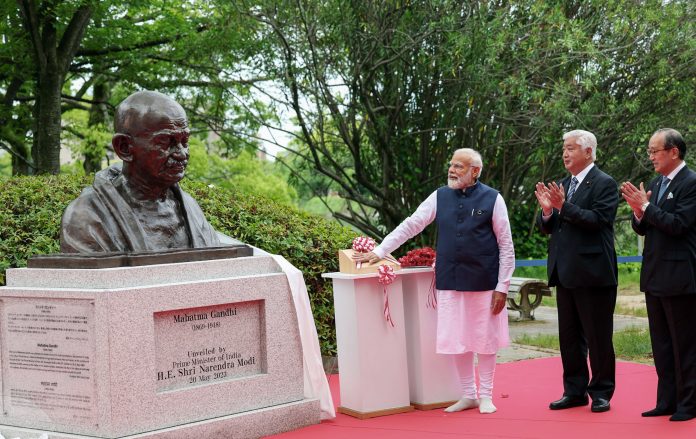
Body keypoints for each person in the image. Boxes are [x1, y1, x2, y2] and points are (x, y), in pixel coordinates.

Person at [353, 148, 515, 414]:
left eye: (459, 166)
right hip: (450, 279)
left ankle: (486, 395)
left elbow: (506, 246)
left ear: (475, 171)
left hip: (485, 280)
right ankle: (468, 394)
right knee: (457, 338)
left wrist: (503, 287)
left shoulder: (493, 198)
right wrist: (381, 250)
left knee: (485, 339)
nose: (452, 170)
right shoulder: (439, 196)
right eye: (451, 165)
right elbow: (411, 224)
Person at [60, 90, 221, 253]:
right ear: (124, 148)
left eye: (184, 141)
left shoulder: (189, 207)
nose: (182, 153)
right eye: (165, 142)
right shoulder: (87, 217)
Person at [535, 130, 618, 413]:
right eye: (564, 149)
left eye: (571, 148)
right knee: (569, 338)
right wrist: (547, 211)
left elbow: (599, 220)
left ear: (589, 152)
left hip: (593, 273)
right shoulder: (562, 183)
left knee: (597, 336)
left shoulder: (604, 183)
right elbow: (548, 225)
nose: (565, 154)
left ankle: (602, 392)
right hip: (564, 271)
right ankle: (574, 390)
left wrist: (563, 206)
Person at [621, 128, 696, 422]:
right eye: (650, 151)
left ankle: (689, 403)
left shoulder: (691, 183)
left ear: (673, 152)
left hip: (680, 275)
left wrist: (647, 206)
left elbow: (678, 225)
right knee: (661, 343)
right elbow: (646, 226)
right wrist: (638, 212)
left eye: (655, 151)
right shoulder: (656, 182)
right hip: (655, 273)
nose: (650, 156)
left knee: (685, 344)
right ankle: (666, 400)